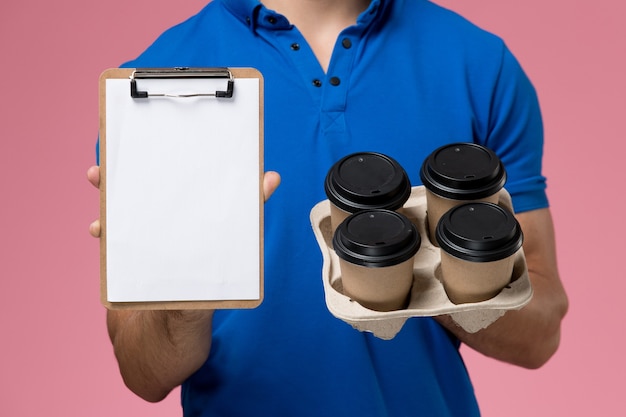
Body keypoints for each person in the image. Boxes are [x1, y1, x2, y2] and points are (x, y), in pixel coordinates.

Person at [88, 0, 569, 415]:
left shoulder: (479, 65)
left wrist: (426, 268)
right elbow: (141, 371)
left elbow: (540, 330)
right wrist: (188, 291)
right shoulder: (152, 84)